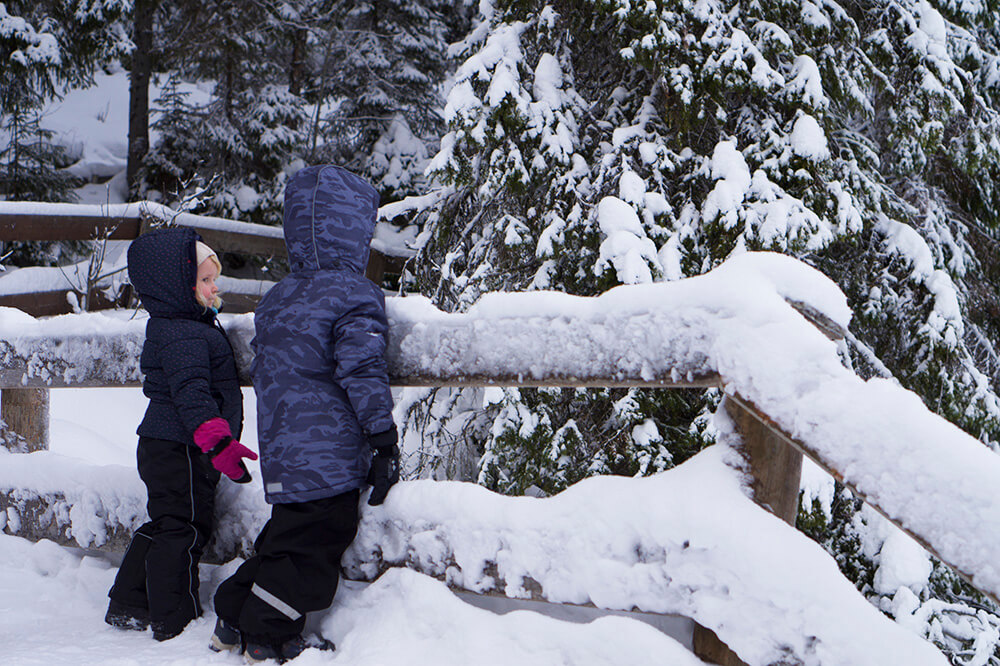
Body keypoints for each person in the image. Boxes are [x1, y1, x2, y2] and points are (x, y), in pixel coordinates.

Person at [210, 165, 399, 663]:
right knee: (313, 552)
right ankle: (267, 634)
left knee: (287, 540)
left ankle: (233, 613)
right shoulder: (354, 293)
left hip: (284, 451)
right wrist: (382, 436)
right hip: (329, 453)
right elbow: (361, 368)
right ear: (355, 232)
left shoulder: (278, 298)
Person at [105, 228, 258, 641]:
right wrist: (219, 441)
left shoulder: (183, 325)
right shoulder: (183, 332)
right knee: (184, 529)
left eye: (214, 279)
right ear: (177, 287)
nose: (214, 287)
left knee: (169, 522)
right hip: (182, 447)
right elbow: (192, 392)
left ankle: (130, 601)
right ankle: (175, 617)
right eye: (205, 280)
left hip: (166, 444)